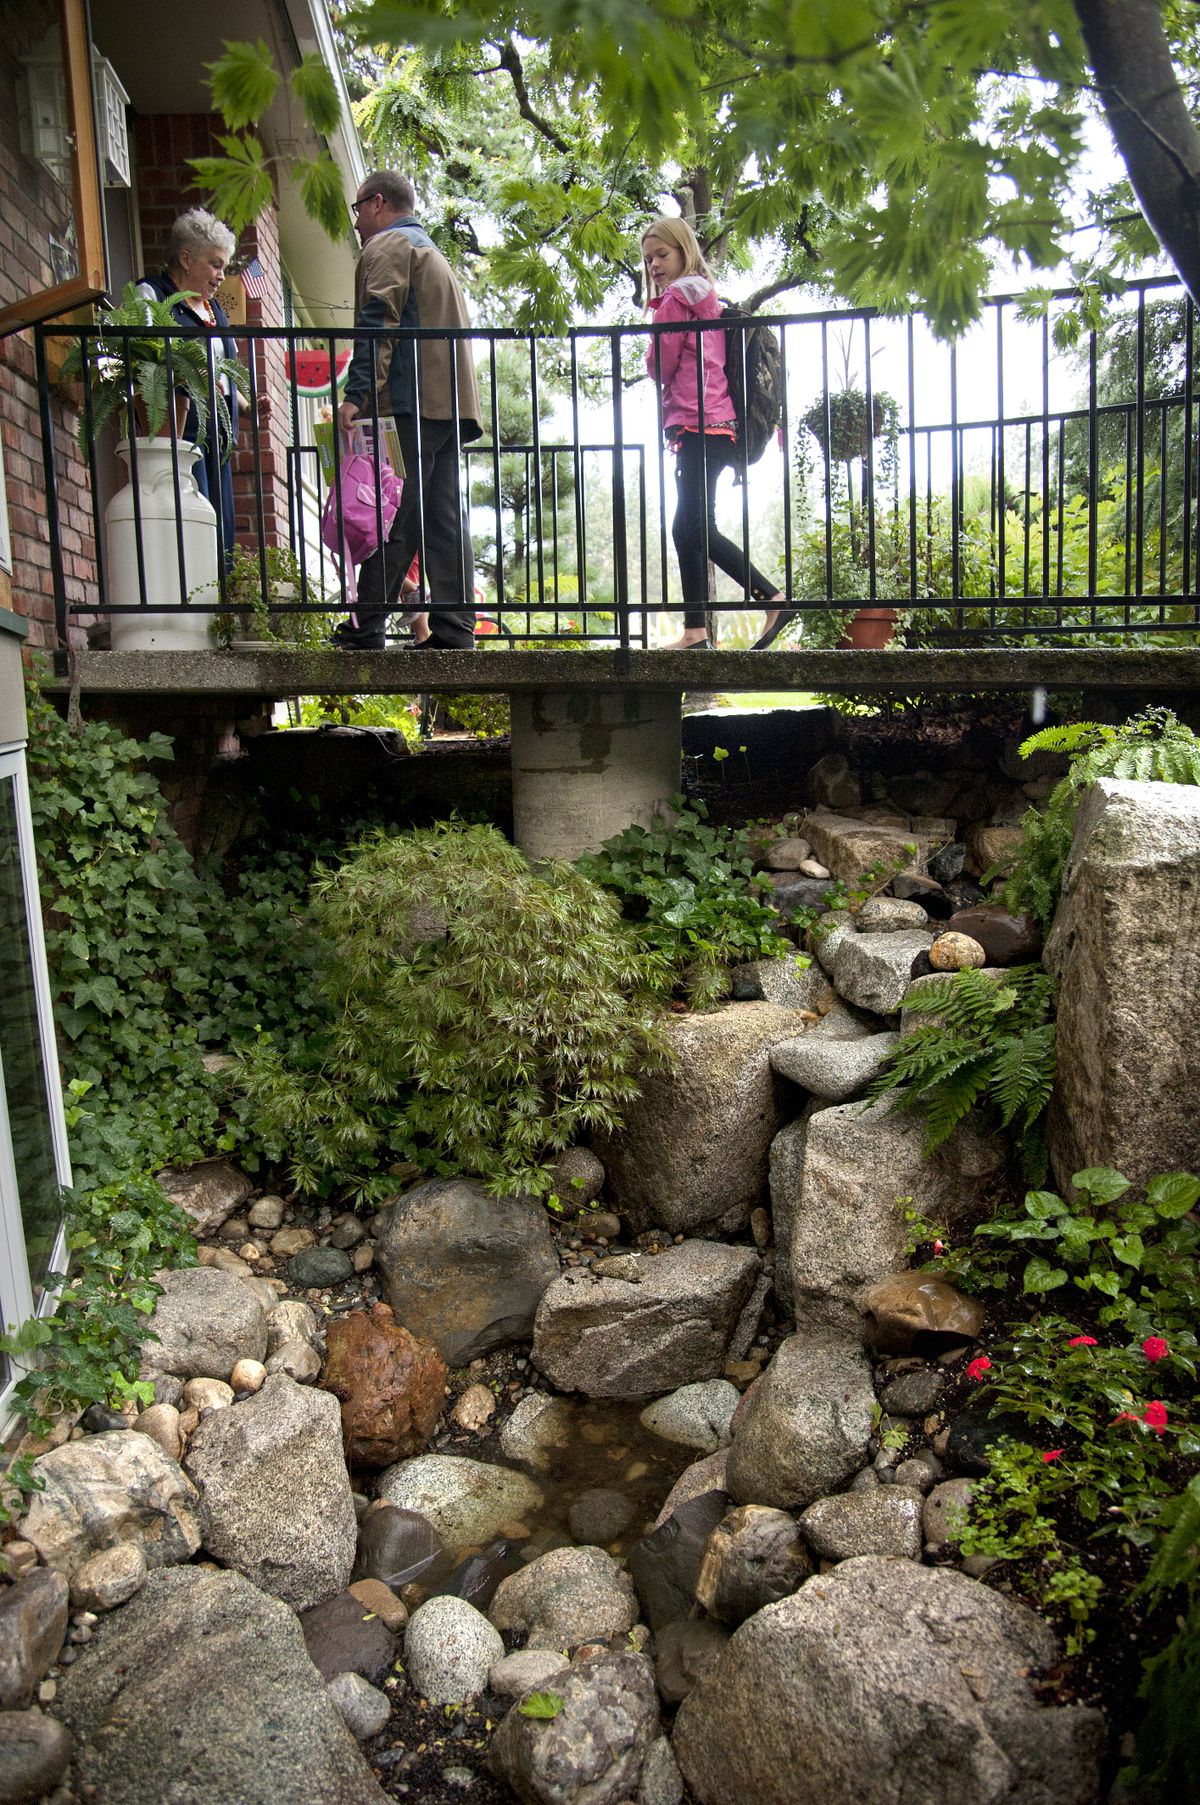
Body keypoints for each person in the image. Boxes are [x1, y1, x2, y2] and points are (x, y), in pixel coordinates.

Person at [335, 171, 482, 650]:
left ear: (377, 203)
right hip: (448, 403)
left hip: (410, 403)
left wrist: (357, 394)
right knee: (440, 514)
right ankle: (456, 628)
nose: (356, 223)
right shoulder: (431, 252)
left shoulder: (388, 247)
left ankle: (366, 625)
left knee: (395, 513)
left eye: (357, 210)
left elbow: (376, 321)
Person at [642, 216, 796, 650]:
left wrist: (653, 346)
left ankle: (773, 597)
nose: (654, 264)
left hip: (697, 423)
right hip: (717, 425)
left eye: (662, 255)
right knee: (683, 528)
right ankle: (695, 631)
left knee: (698, 528)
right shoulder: (706, 298)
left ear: (684, 252)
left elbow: (660, 366)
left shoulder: (675, 300)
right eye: (649, 258)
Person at [137, 209, 239, 568]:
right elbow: (141, 357)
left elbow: (225, 374)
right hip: (181, 434)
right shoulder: (152, 293)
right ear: (185, 258)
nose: (221, 276)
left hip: (218, 437)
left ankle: (221, 611)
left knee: (220, 528)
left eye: (224, 267)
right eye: (215, 264)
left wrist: (247, 402)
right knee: (190, 522)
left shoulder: (216, 313)